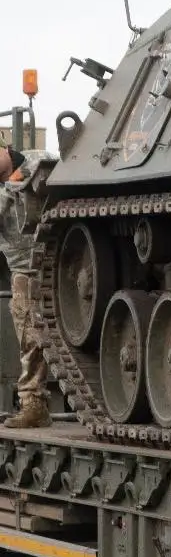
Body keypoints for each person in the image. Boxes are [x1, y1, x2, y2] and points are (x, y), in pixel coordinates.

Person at [1, 143, 56, 430]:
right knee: (29, 335)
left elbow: (55, 164)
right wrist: (10, 188)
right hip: (24, 268)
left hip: (61, 256)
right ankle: (33, 404)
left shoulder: (37, 158)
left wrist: (19, 178)